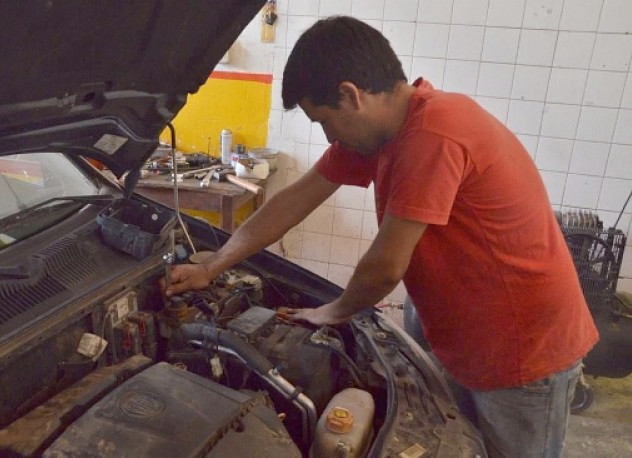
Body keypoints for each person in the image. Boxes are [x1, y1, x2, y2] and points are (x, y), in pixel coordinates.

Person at [163, 16, 598, 457]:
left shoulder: (434, 133)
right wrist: (214, 264)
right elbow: (295, 199)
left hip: (522, 350)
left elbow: (386, 265)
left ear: (350, 96)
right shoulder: (384, 134)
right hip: (462, 333)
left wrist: (332, 312)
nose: (328, 135)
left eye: (324, 120)